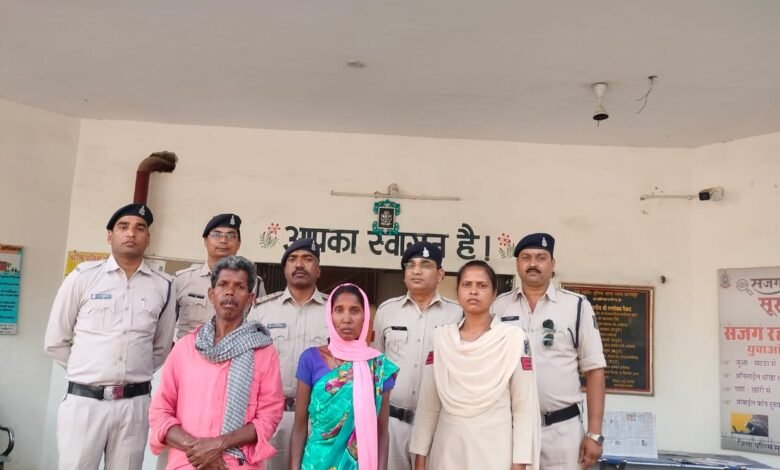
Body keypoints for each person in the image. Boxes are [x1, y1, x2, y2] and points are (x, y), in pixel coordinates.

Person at [44, 203, 176, 470]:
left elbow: (161, 347)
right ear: (110, 235)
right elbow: (56, 340)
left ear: (148, 237)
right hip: (85, 403)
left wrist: (132, 371)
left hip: (134, 405)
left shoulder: (163, 285)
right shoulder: (83, 277)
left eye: (140, 228)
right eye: (123, 227)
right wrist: (89, 371)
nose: (131, 233)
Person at [148, 255, 284, 469]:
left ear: (250, 298)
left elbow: (269, 416)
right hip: (187, 461)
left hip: (237, 463)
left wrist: (219, 445)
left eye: (239, 287)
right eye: (223, 285)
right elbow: (160, 412)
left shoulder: (264, 351)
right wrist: (199, 450)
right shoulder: (186, 347)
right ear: (211, 294)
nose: (230, 291)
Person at [410, 260, 540, 470]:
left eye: (482, 285)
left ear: (494, 293)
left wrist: (520, 462)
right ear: (457, 292)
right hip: (448, 450)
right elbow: (428, 405)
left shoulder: (513, 339)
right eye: (467, 285)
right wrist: (420, 457)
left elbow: (523, 409)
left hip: (495, 452)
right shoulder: (442, 339)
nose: (473, 291)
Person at [493, 233, 606, 470]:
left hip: (562, 431)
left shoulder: (577, 306)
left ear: (552, 264)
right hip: (510, 428)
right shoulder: (498, 306)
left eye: (541, 257)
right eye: (526, 257)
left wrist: (594, 434)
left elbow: (594, 370)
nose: (533, 263)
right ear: (517, 264)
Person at [371, 241, 462, 470]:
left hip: (438, 424)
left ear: (440, 274)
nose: (416, 270)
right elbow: (377, 366)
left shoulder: (457, 313)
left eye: (425, 265)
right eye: (410, 265)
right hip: (392, 423)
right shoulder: (386, 311)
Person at [289, 284, 399, 470]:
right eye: (339, 310)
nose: (346, 319)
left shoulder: (378, 367)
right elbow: (299, 427)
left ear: (365, 317)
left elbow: (381, 433)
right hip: (315, 463)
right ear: (330, 315)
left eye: (354, 310)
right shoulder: (310, 359)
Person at [247, 238, 329, 470]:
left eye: (307, 259)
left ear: (318, 270)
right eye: (292, 259)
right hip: (272, 417)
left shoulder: (334, 311)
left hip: (319, 420)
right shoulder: (262, 311)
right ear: (284, 269)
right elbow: (248, 364)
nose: (299, 264)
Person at [174, 213, 266, 340]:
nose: (223, 240)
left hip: (237, 350)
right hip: (189, 350)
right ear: (205, 241)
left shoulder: (255, 283)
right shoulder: (182, 280)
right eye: (216, 235)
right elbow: (166, 326)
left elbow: (259, 326)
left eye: (231, 236)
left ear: (239, 244)